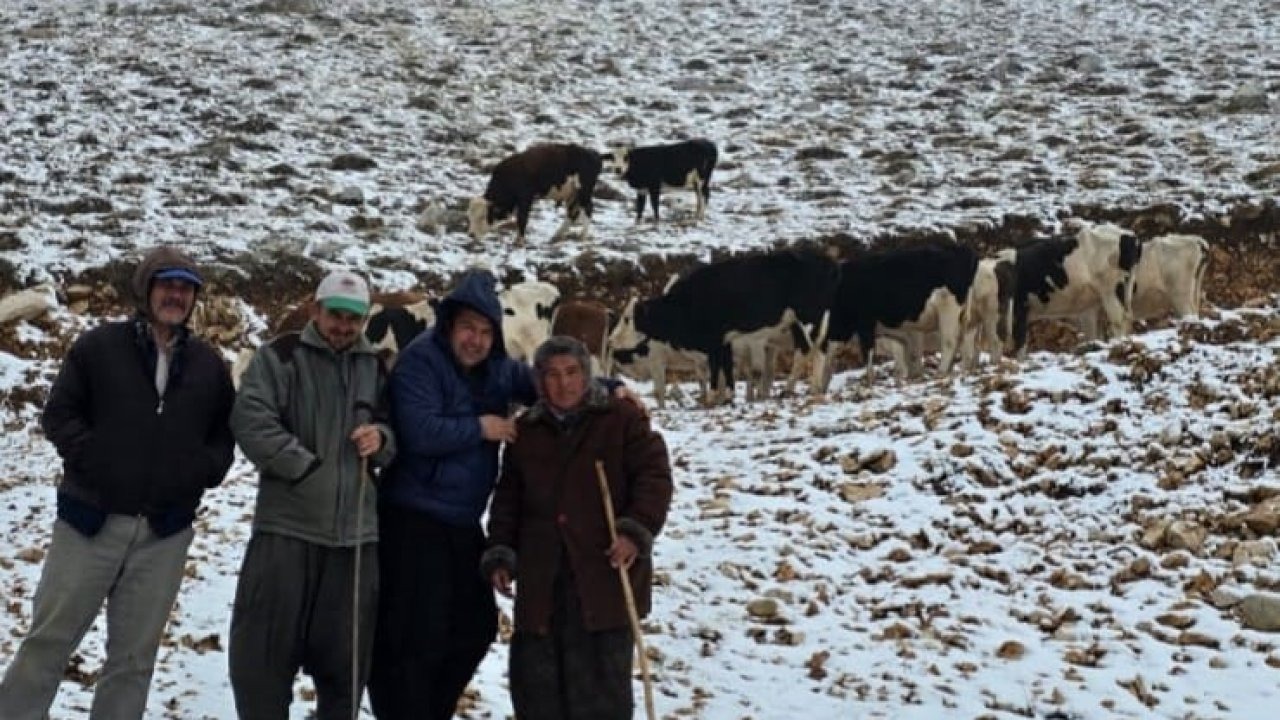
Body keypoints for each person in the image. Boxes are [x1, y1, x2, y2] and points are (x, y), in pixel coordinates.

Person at [368, 270, 636, 719]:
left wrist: (608, 387)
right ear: (450, 325)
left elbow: (546, 381)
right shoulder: (420, 361)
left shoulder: (495, 368)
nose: (476, 340)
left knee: (475, 627)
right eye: (468, 328)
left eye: (486, 331)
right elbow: (417, 432)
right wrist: (482, 427)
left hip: (461, 520)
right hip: (412, 516)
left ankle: (429, 710)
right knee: (416, 634)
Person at [0, 246, 235, 720]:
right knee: (48, 642)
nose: (176, 295)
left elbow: (222, 437)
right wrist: (97, 462)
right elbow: (60, 415)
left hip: (163, 534)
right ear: (145, 290)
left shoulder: (209, 365)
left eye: (186, 288)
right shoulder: (99, 347)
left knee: (132, 661)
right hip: (90, 522)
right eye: (167, 284)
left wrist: (199, 473)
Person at [229, 269, 397, 720]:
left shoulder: (375, 365)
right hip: (286, 534)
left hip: (354, 543)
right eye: (336, 315)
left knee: (346, 674)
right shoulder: (280, 357)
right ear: (316, 309)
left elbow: (395, 430)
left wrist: (381, 439)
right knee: (262, 666)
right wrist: (305, 467)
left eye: (354, 319)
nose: (344, 326)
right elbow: (251, 421)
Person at [482, 336, 673, 719]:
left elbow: (654, 477)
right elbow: (508, 501)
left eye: (571, 373)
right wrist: (501, 550)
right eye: (551, 375)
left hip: (604, 579)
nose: (563, 384)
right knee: (538, 696)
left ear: (587, 375)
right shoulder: (527, 431)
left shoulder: (621, 419)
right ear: (539, 381)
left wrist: (634, 531)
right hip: (541, 585)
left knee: (601, 698)